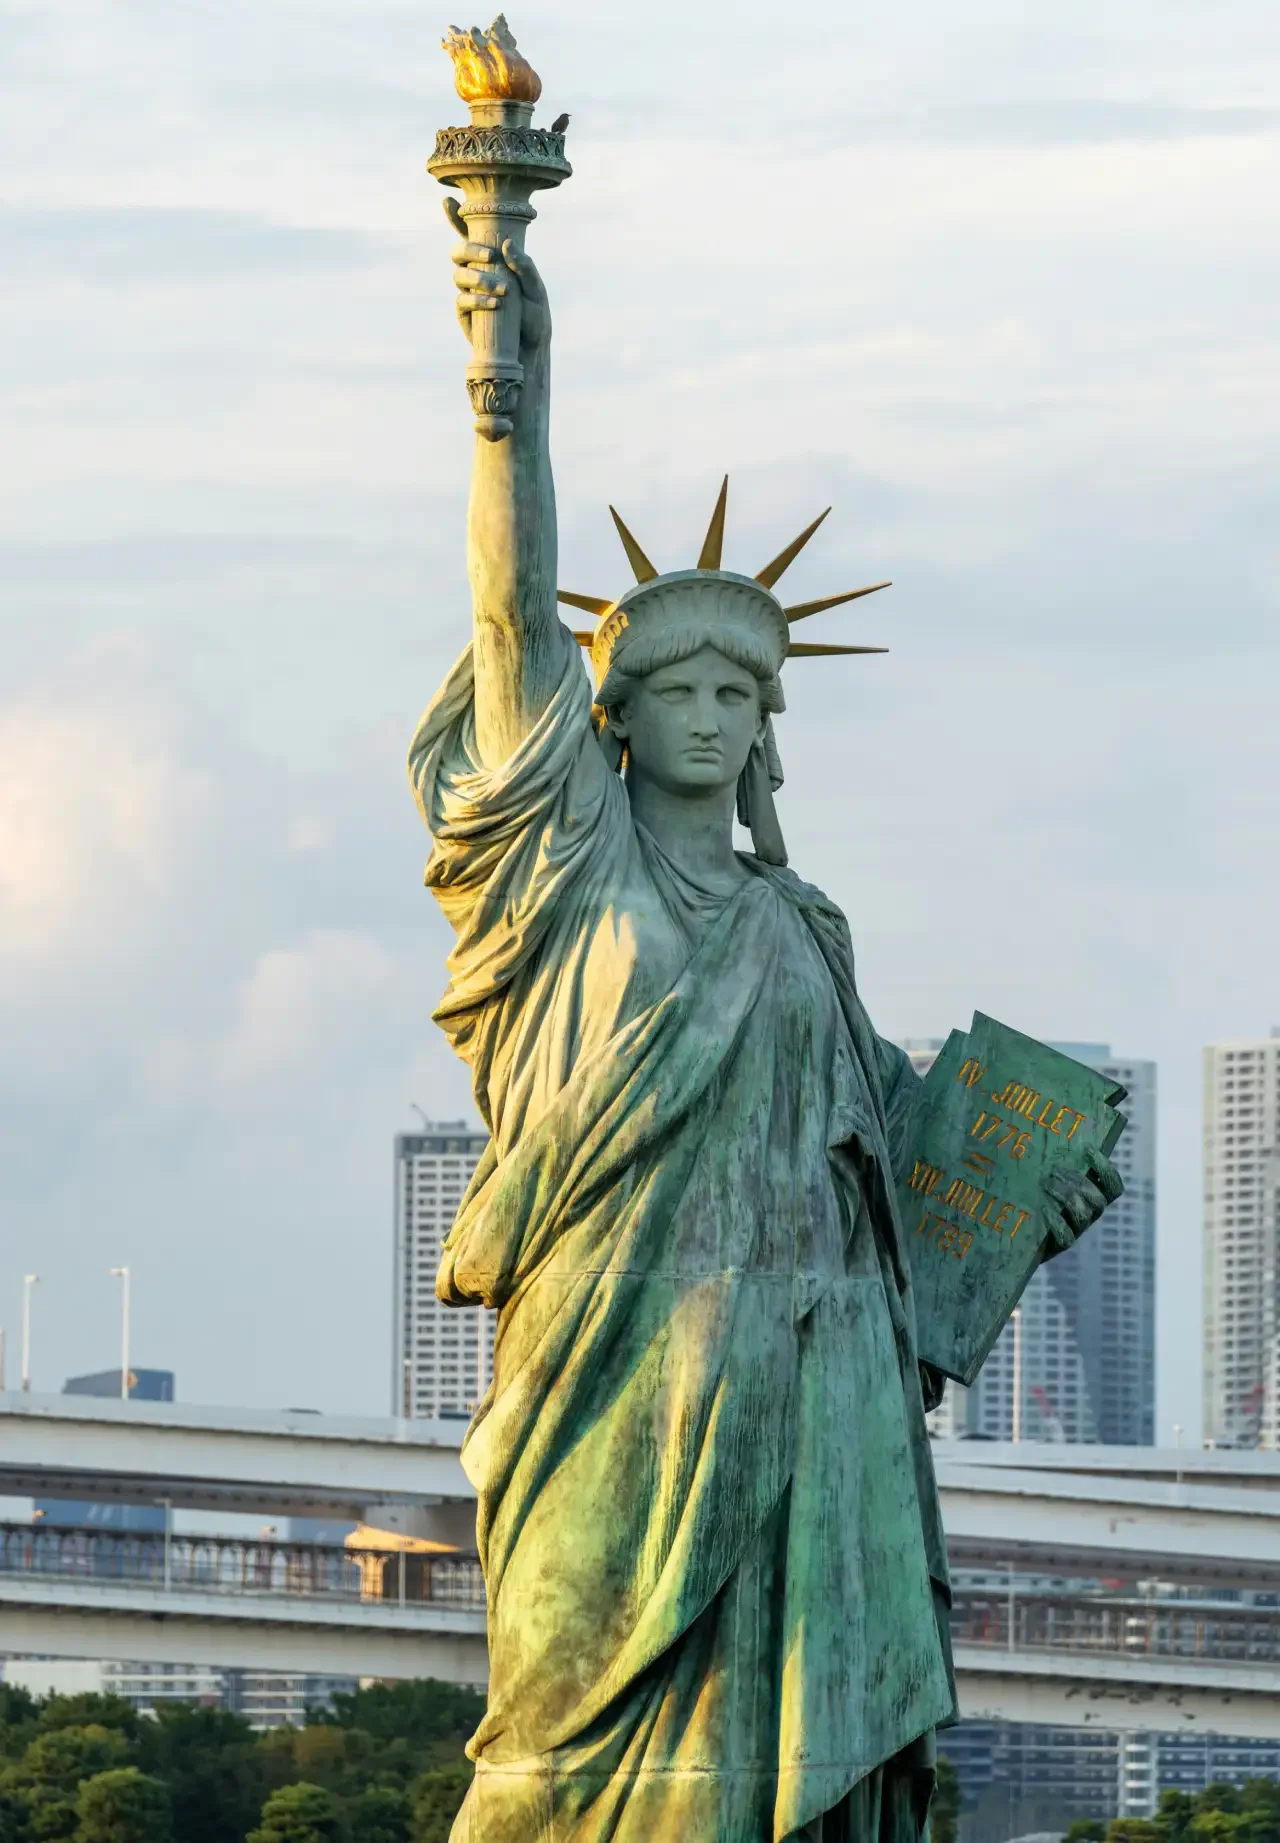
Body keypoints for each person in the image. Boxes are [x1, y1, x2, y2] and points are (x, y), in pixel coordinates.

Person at [409, 229, 1119, 1843]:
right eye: (678, 690)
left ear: (765, 732)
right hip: (614, 1366)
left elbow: (901, 1183)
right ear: (614, 717)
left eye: (740, 696)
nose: (711, 717)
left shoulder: (807, 930)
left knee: (798, 1773)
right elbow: (512, 619)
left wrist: (1032, 1201)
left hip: (813, 1385)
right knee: (562, 1746)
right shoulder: (566, 884)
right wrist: (508, 402)